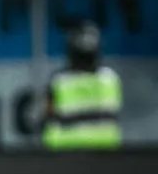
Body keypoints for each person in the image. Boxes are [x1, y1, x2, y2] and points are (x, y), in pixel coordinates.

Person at [42, 21, 122, 150]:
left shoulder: (60, 81)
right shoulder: (110, 79)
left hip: (64, 151)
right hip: (105, 151)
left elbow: (47, 115)